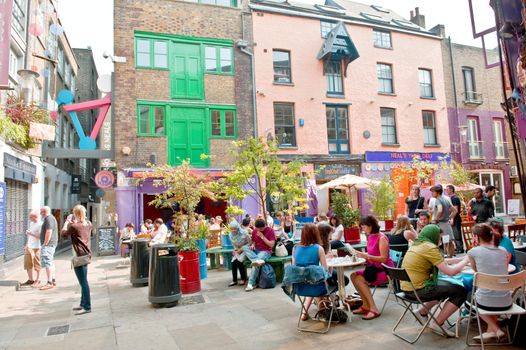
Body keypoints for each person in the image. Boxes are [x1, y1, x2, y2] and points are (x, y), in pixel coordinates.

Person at [401, 225, 469, 337]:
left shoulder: (418, 244)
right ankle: (437, 323)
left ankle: (422, 312)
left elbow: (440, 261)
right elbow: (450, 272)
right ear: (433, 236)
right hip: (418, 291)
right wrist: (465, 261)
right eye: (439, 238)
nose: (441, 242)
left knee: (444, 286)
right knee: (460, 291)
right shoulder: (429, 247)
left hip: (407, 288)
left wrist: (461, 260)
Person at [467, 223, 511, 342]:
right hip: (506, 300)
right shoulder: (503, 250)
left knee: (471, 298)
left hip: (486, 301)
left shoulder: (473, 252)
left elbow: (477, 272)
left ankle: (496, 330)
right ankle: (490, 332)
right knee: (490, 293)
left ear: (476, 237)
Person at [351, 216, 394, 320]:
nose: (362, 229)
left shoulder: (382, 238)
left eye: (364, 227)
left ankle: (373, 308)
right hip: (374, 268)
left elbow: (383, 259)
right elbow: (372, 254)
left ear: (371, 226)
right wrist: (360, 254)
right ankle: (366, 305)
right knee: (353, 275)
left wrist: (366, 256)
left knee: (359, 279)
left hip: (384, 269)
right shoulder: (371, 236)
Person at [292, 224, 328, 320]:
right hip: (316, 286)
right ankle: (324, 307)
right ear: (316, 234)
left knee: (311, 281)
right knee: (330, 280)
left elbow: (294, 268)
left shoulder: (295, 248)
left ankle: (305, 312)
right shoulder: (318, 248)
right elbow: (325, 270)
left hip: (299, 287)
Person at [62, 205, 93, 315]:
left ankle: (87, 306)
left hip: (79, 255)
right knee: (83, 280)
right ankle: (82, 304)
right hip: (86, 254)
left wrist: (67, 222)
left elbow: (64, 234)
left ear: (75, 213)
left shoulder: (74, 226)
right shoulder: (88, 224)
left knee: (83, 282)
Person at [242, 218, 276, 292]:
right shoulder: (255, 231)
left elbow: (271, 245)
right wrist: (253, 245)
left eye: (261, 228)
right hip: (256, 250)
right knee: (245, 248)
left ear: (264, 226)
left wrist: (262, 237)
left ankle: (250, 283)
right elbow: (254, 241)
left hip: (265, 251)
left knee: (256, 263)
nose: (259, 230)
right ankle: (256, 260)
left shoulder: (270, 231)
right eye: (258, 228)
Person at [430, 185, 457, 255]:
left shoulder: (438, 200)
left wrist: (436, 219)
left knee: (441, 242)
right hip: (446, 224)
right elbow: (455, 211)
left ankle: (447, 259)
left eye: (433, 192)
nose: (432, 193)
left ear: (438, 192)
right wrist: (449, 217)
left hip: (440, 224)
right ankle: (450, 258)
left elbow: (440, 210)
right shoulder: (446, 200)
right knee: (448, 241)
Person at [21, 210, 42, 287]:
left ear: (35, 216)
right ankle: (30, 279)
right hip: (29, 246)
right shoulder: (32, 223)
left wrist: (31, 233)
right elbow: (30, 236)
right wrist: (27, 244)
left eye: (31, 217)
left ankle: (38, 280)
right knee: (27, 263)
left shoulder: (40, 224)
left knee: (37, 264)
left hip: (37, 247)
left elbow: (40, 236)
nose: (29, 218)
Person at [39, 206, 58, 290]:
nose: (40, 213)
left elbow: (49, 231)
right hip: (51, 244)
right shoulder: (51, 218)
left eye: (41, 212)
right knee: (51, 262)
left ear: (44, 212)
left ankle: (49, 282)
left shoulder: (48, 219)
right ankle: (53, 280)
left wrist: (45, 243)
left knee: (48, 263)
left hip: (48, 245)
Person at [229, 220, 251, 287]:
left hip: (246, 250)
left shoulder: (244, 233)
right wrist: (236, 249)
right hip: (238, 250)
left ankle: (243, 279)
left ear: (238, 227)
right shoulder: (230, 235)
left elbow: (250, 242)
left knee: (240, 261)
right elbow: (233, 245)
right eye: (232, 229)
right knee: (233, 262)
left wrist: (242, 249)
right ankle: (234, 280)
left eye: (235, 228)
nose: (233, 230)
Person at [446, 185, 463, 253]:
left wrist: (452, 218)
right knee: (453, 233)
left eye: (447, 189)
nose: (446, 191)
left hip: (455, 218)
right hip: (452, 218)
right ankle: (456, 247)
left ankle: (460, 248)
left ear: (451, 190)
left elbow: (456, 209)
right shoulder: (451, 198)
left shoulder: (455, 198)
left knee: (456, 234)